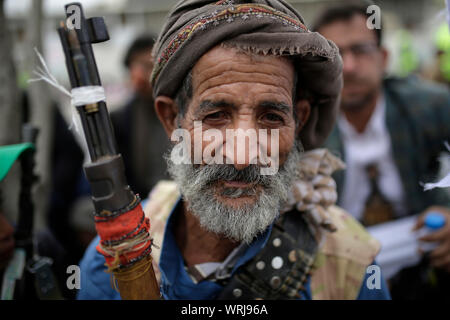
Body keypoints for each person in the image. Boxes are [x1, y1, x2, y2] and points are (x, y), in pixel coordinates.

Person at [77, 0, 390, 300]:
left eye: (271, 118)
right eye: (216, 117)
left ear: (299, 120)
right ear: (172, 119)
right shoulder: (114, 260)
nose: (242, 158)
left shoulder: (348, 265)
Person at [312, 3, 450, 276]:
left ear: (384, 57)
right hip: (335, 271)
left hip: (421, 263)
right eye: (333, 54)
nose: (348, 66)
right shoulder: (303, 123)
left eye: (361, 51)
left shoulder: (427, 106)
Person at [111, 34, 170, 197]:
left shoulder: (183, 112)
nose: (141, 76)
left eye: (148, 66)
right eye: (134, 67)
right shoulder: (120, 119)